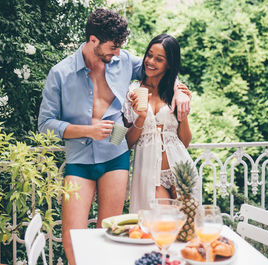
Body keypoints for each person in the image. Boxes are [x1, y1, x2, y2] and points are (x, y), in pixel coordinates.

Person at [37, 9, 190, 265]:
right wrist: (88, 129)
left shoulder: (123, 61)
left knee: (110, 231)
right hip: (79, 161)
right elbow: (45, 124)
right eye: (113, 46)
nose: (117, 52)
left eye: (120, 47)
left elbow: (158, 69)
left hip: (116, 156)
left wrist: (180, 92)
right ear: (93, 40)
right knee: (72, 234)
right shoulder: (60, 73)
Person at [123, 34, 201, 213]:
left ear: (169, 64)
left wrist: (184, 115)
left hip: (181, 169)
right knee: (161, 227)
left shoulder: (176, 91)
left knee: (186, 232)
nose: (150, 61)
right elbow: (126, 142)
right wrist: (141, 118)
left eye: (159, 59)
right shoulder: (134, 91)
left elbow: (185, 142)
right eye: (149, 55)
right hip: (150, 173)